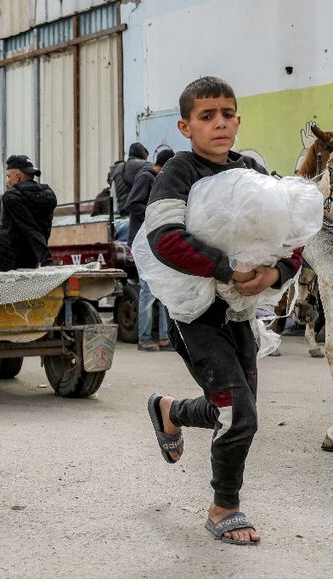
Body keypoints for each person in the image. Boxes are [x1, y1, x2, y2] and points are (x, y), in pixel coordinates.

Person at [144, 76, 303, 546]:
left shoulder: (252, 168)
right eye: (207, 116)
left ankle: (167, 410)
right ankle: (224, 507)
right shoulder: (179, 171)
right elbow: (164, 238)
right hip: (197, 315)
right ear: (185, 126)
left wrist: (277, 274)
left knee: (234, 410)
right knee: (239, 412)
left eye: (227, 114)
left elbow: (288, 229)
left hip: (240, 312)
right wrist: (227, 269)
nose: (220, 123)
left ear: (238, 119)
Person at [125, 148, 174, 351]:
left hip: (156, 241)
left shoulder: (159, 179)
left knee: (164, 290)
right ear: (164, 166)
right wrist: (156, 214)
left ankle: (164, 337)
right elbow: (132, 204)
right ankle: (144, 338)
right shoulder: (146, 177)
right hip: (143, 243)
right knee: (147, 291)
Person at [0, 154, 57, 272]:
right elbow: (40, 230)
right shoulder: (48, 196)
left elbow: (31, 229)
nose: (7, 182)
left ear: (17, 176)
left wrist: (47, 262)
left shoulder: (12, 197)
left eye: (9, 177)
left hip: (4, 264)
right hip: (29, 262)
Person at [108, 142, 151, 216]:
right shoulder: (145, 165)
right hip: (138, 214)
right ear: (143, 154)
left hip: (122, 213)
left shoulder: (117, 168)